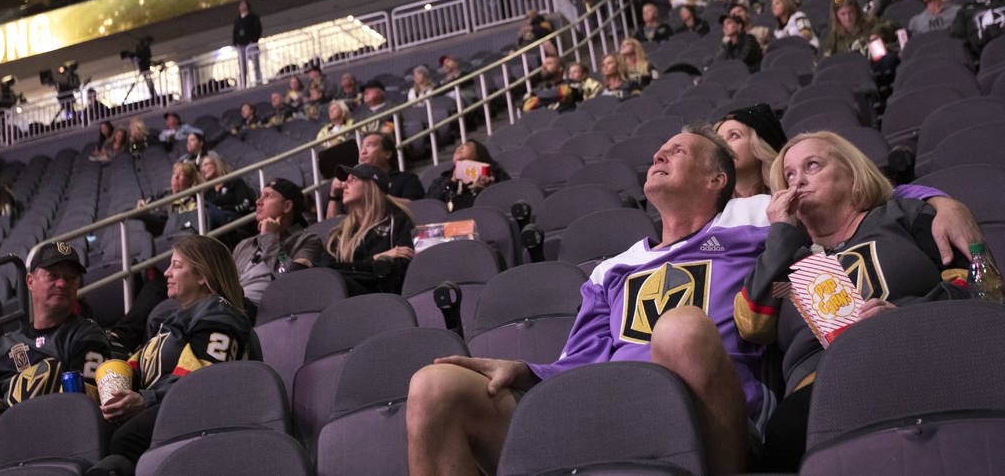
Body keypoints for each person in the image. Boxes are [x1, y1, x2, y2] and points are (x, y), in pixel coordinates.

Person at [407, 126, 771, 475]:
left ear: (716, 180)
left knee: (680, 328)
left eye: (679, 151)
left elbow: (811, 198)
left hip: (713, 422)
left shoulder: (750, 217)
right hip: (610, 416)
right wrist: (524, 370)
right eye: (661, 150)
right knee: (435, 386)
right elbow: (581, 363)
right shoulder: (612, 269)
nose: (660, 154)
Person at [736, 131, 973, 470]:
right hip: (822, 387)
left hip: (921, 352)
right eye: (788, 175)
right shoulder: (785, 254)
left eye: (812, 165)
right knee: (787, 432)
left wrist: (908, 317)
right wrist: (781, 235)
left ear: (852, 172)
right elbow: (752, 324)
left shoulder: (901, 215)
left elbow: (977, 289)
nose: (798, 181)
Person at [93, 235, 252, 475]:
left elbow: (204, 379)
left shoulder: (218, 314)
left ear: (202, 276)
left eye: (177, 266)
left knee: (126, 438)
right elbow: (135, 366)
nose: (166, 273)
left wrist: (146, 399)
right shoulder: (172, 322)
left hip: (198, 412)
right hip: (167, 404)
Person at [0, 242, 110, 466]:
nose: (62, 283)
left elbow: (81, 407)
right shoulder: (1, 347)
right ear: (30, 281)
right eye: (53, 275)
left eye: (70, 278)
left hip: (54, 449)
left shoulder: (87, 335)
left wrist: (8, 435)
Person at [320, 164, 415, 294]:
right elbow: (327, 270)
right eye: (345, 180)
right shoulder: (339, 233)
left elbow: (402, 261)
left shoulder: (397, 221)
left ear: (371, 185)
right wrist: (376, 258)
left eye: (352, 179)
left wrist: (354, 267)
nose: (344, 185)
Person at [231, 178, 322, 309]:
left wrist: (269, 237)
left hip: (268, 310)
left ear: (287, 206)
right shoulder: (245, 244)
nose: (258, 202)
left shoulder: (307, 241)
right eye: (260, 196)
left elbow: (292, 282)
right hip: (235, 307)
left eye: (267, 196)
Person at [328, 132, 425, 218]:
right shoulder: (355, 184)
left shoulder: (407, 179)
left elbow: (416, 208)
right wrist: (334, 196)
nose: (363, 152)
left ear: (387, 154)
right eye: (361, 147)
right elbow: (332, 226)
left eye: (370, 146)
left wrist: (374, 194)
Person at [715, 104, 787, 198]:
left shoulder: (792, 200)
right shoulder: (710, 208)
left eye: (734, 135)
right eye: (719, 140)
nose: (722, 145)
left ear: (760, 145)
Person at [425, 140, 509, 212]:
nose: (460, 147)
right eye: (459, 145)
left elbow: (505, 196)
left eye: (466, 145)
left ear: (478, 154)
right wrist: (451, 181)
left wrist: (486, 188)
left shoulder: (494, 174)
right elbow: (429, 205)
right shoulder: (442, 180)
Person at [136, 162, 204, 237]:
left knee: (135, 215)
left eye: (181, 175)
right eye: (174, 173)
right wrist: (143, 205)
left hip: (168, 225)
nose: (176, 177)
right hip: (156, 220)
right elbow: (150, 207)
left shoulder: (193, 199)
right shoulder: (164, 193)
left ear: (190, 181)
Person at [822, 0, 896, 58]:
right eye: (843, 14)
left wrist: (877, 33)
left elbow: (893, 26)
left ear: (856, 11)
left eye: (850, 12)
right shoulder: (834, 37)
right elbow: (827, 61)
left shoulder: (870, 22)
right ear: (836, 16)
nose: (847, 18)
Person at [200, 153, 256, 228]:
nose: (202, 169)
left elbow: (245, 205)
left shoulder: (235, 182)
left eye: (206, 164)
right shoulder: (208, 193)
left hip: (240, 224)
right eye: (201, 167)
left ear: (217, 164)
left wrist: (221, 209)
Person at [232, 0, 263, 87]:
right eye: (240, 5)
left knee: (256, 64)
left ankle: (258, 81)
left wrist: (253, 40)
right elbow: (234, 32)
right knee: (242, 67)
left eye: (243, 5)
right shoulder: (237, 20)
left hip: (251, 45)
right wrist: (235, 43)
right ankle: (243, 84)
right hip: (241, 46)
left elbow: (258, 29)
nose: (242, 7)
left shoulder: (253, 17)